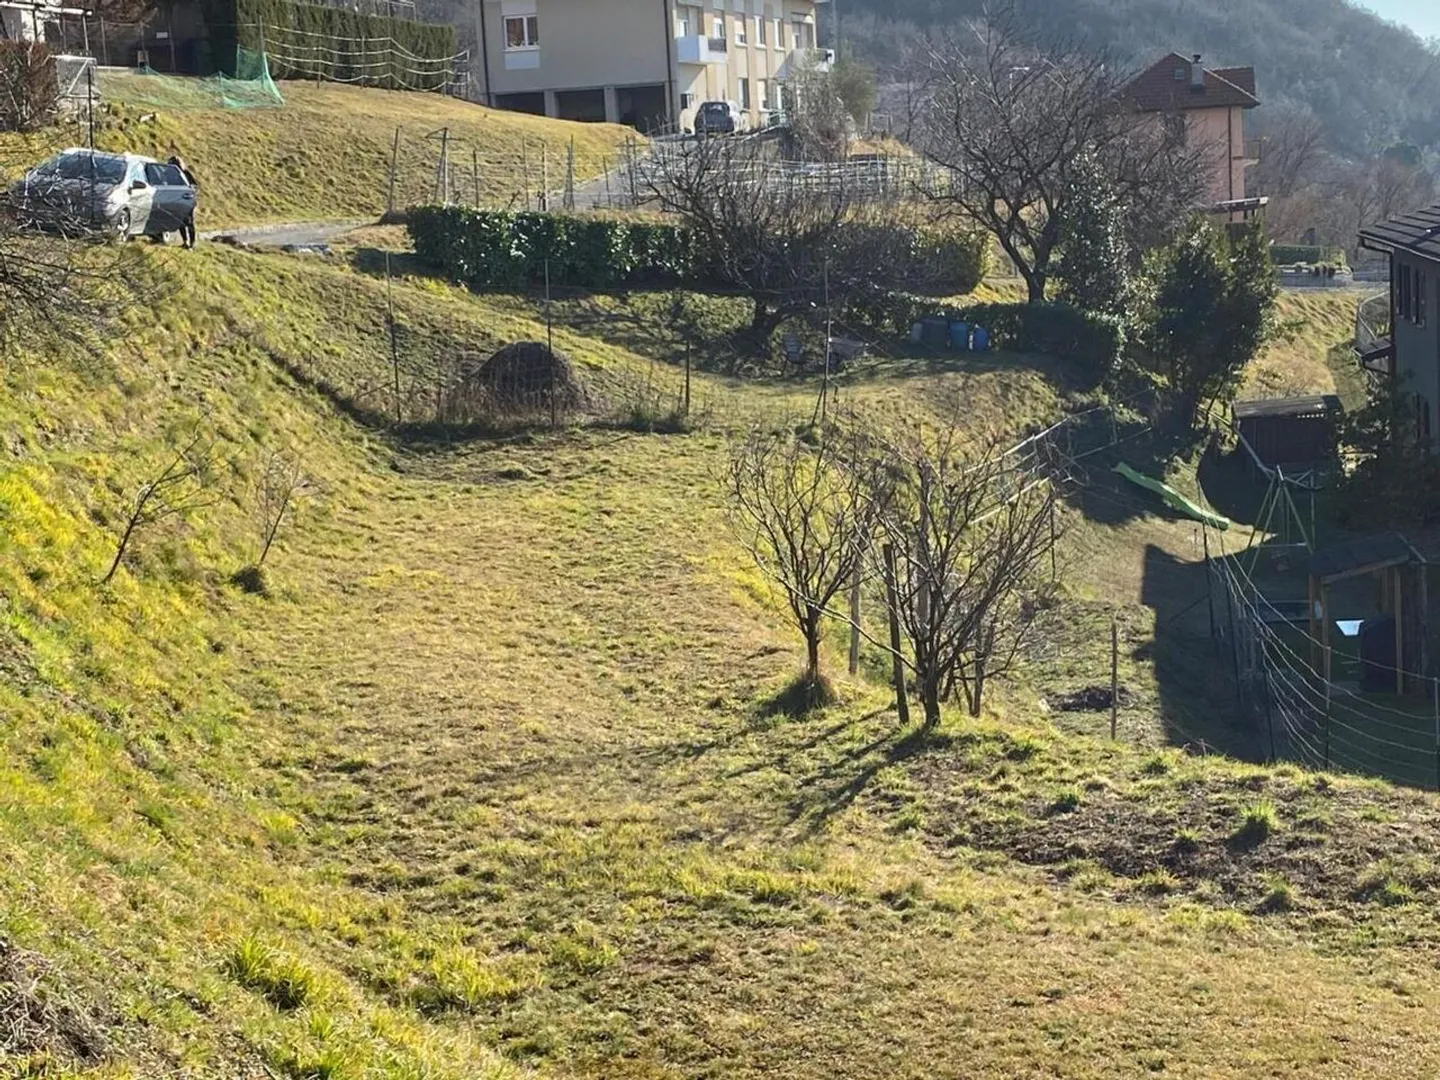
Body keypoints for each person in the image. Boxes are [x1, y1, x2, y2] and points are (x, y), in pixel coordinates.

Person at [168, 154, 198, 249]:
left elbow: (194, 186)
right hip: (178, 200)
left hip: (187, 199)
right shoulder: (170, 175)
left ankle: (192, 242)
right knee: (180, 221)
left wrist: (189, 190)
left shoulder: (186, 173)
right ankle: (185, 241)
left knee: (189, 221)